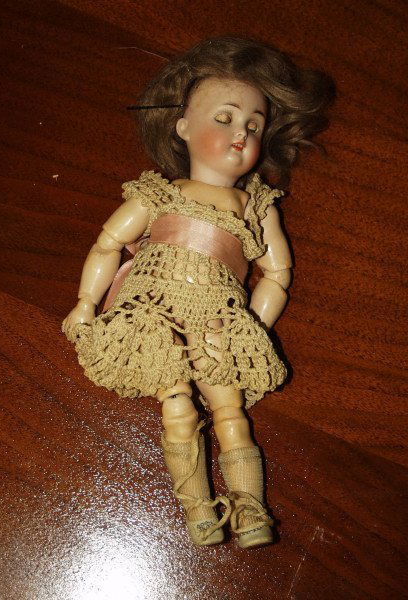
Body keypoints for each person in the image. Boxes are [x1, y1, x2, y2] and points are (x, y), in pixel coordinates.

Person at [62, 36, 334, 548]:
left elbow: (276, 275)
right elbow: (107, 245)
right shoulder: (159, 195)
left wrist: (249, 329)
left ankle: (250, 509)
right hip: (155, 314)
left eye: (254, 126)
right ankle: (198, 510)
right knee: (177, 408)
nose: (240, 134)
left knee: (230, 412)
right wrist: (85, 303)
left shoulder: (254, 206)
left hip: (215, 321)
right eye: (225, 118)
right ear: (182, 125)